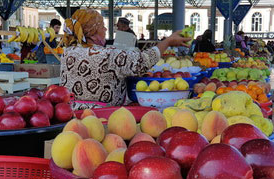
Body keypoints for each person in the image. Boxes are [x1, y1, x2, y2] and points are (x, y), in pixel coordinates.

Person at [60, 9, 190, 108]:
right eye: (102, 26)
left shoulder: (67, 52)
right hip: (102, 118)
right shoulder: (108, 55)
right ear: (92, 33)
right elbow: (142, 61)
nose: (105, 29)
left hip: (71, 114)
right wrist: (167, 42)